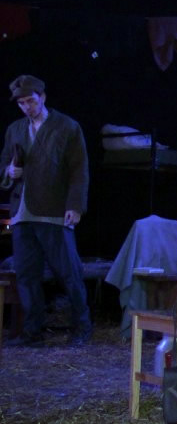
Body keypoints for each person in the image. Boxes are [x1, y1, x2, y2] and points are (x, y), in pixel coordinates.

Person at [0, 75, 92, 346]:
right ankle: (32, 332)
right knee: (27, 275)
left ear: (42, 97)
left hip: (54, 210)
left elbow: (79, 171)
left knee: (69, 273)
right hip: (22, 212)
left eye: (30, 101)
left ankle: (82, 327)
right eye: (21, 103)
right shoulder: (15, 129)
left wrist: (75, 206)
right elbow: (4, 164)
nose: (26, 107)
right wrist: (9, 171)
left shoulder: (67, 127)